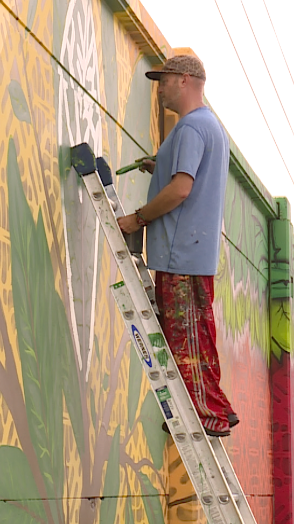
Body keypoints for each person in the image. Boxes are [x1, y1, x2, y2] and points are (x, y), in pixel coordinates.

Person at [117, 55, 238, 437]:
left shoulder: (190, 128)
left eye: (165, 80)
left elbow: (182, 189)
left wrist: (138, 218)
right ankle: (216, 408)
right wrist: (161, 166)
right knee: (196, 336)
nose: (160, 88)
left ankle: (208, 416)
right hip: (192, 251)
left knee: (185, 342)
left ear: (185, 80)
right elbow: (191, 179)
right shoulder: (210, 127)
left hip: (181, 253)